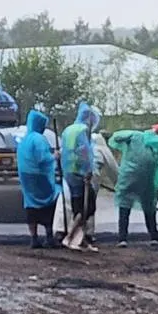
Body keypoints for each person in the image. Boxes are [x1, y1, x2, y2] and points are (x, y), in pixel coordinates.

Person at [110, 124, 158, 247]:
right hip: (147, 181)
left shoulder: (135, 135)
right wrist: (155, 188)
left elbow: (116, 137)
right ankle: (154, 237)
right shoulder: (157, 147)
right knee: (149, 208)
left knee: (124, 206)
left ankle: (122, 239)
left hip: (128, 177)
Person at [59, 102, 101, 249]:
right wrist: (88, 171)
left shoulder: (68, 130)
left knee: (77, 204)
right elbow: (85, 152)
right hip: (79, 171)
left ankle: (79, 238)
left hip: (68, 171)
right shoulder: (83, 130)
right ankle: (70, 237)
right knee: (87, 207)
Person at [16, 109, 60, 248]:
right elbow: (43, 159)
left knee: (30, 206)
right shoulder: (39, 139)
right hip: (40, 177)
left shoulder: (23, 140)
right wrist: (55, 156)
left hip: (26, 178)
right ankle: (49, 236)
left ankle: (34, 238)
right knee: (49, 203)